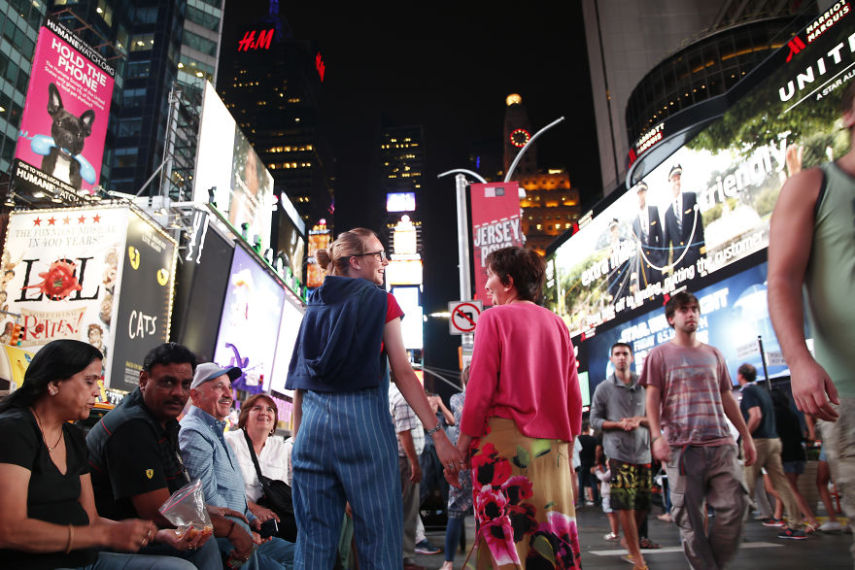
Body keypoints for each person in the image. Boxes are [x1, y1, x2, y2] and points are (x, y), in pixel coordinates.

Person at [285, 227, 463, 569]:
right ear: (355, 262)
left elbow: (299, 385)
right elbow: (403, 372)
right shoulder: (381, 301)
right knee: (379, 541)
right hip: (363, 432)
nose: (385, 261)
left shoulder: (314, 304)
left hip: (311, 435)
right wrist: (438, 435)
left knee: (312, 545)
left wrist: (297, 443)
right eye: (377, 255)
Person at [0, 339, 194, 569]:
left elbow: (91, 518)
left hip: (85, 558)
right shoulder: (14, 431)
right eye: (89, 381)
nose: (97, 391)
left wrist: (155, 535)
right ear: (53, 384)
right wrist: (102, 537)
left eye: (97, 382)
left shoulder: (72, 436)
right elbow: (9, 530)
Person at [768, 78, 855, 560]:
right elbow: (780, 279)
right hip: (851, 392)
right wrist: (799, 359)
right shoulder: (812, 185)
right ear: (849, 116)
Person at [457, 246, 583, 568]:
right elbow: (573, 397)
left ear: (508, 281)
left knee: (505, 541)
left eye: (490, 277)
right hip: (553, 451)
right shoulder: (558, 325)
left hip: (504, 448)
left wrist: (462, 444)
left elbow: (479, 390)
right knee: (550, 539)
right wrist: (568, 455)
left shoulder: (493, 318)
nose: (486, 286)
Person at [86, 343, 228, 569]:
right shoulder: (132, 426)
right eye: (168, 382)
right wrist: (230, 529)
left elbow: (178, 493)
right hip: (108, 540)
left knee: (215, 537)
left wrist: (222, 518)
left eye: (185, 384)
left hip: (139, 532)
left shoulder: (164, 422)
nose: (178, 393)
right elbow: (161, 512)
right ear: (143, 380)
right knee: (210, 545)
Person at [643, 291, 756, 570]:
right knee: (690, 521)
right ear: (671, 319)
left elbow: (727, 397)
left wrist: (747, 437)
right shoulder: (659, 355)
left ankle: (711, 565)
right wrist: (657, 436)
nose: (690, 313)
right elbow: (652, 399)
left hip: (720, 443)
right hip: (682, 448)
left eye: (694, 308)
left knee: (736, 506)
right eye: (683, 310)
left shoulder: (713, 354)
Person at [180, 362, 295, 569]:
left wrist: (253, 521)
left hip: (246, 530)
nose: (227, 393)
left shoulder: (217, 433)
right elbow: (207, 499)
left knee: (307, 558)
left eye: (229, 387)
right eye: (218, 386)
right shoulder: (194, 432)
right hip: (226, 539)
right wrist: (244, 529)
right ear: (195, 395)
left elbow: (235, 495)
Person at [589, 342, 654, 567]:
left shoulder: (645, 386)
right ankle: (636, 556)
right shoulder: (603, 389)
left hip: (644, 452)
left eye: (625, 354)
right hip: (617, 453)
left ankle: (630, 539)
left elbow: (657, 416)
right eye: (616, 354)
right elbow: (595, 420)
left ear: (632, 357)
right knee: (625, 504)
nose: (621, 358)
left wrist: (639, 421)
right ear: (611, 359)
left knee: (644, 504)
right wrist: (617, 424)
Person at [735, 363, 807, 539]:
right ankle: (796, 524)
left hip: (758, 442)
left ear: (740, 376)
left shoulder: (749, 392)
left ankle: (735, 531)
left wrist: (744, 436)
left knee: (746, 485)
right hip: (774, 441)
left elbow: (756, 415)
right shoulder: (763, 392)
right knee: (782, 483)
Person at [225, 393, 296, 541]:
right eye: (257, 408)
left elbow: (287, 488)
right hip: (240, 517)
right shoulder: (230, 442)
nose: (264, 412)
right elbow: (222, 489)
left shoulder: (281, 448)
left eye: (270, 409)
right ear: (245, 417)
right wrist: (252, 507)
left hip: (274, 522)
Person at [770, 388, 819, 532]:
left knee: (791, 490)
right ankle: (796, 518)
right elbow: (799, 435)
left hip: (786, 457)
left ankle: (811, 520)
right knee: (791, 488)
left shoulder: (774, 415)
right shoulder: (791, 413)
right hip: (798, 455)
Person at [389, 381, 426, 570]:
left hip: (401, 460)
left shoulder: (393, 392)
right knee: (407, 511)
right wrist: (415, 463)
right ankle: (404, 559)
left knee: (402, 511)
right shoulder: (402, 396)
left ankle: (402, 558)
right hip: (405, 461)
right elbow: (404, 433)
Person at [441, 367, 473, 570]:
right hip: (487, 458)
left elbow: (455, 422)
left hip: (462, 460)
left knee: (455, 511)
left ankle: (448, 562)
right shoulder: (493, 400)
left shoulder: (456, 399)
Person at [662, 164, 706, 271]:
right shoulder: (667, 214)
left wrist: (703, 254)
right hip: (679, 265)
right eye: (674, 180)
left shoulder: (690, 198)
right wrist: (665, 267)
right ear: (670, 183)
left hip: (695, 257)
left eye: (678, 179)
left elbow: (699, 228)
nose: (677, 182)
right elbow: (666, 243)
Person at [631, 181, 664, 286]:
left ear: (645, 193)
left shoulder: (654, 211)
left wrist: (662, 261)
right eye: (639, 193)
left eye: (642, 192)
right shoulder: (635, 222)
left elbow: (661, 237)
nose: (641, 196)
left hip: (657, 264)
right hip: (645, 270)